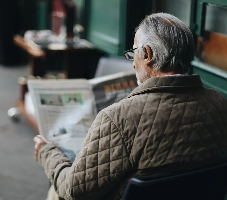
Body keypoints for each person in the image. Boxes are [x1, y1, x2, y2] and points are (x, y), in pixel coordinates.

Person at [33, 13, 227, 200]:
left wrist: (46, 152)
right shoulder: (220, 102)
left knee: (57, 189)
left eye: (134, 52)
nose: (133, 63)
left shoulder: (117, 119)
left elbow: (74, 191)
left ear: (147, 54)